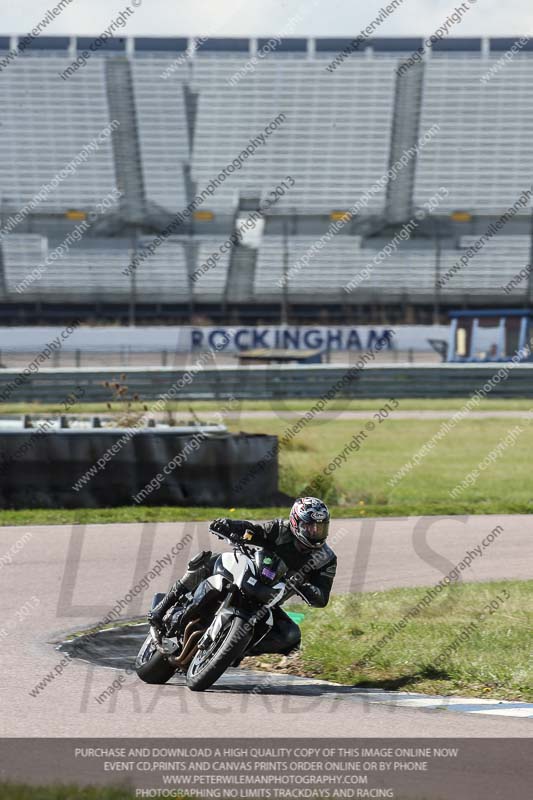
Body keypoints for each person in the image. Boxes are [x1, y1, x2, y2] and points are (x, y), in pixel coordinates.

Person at [148, 497, 337, 657]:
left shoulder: (326, 559)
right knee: (209, 560)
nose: (315, 533)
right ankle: (162, 607)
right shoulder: (280, 530)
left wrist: (302, 584)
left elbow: (322, 597)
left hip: (271, 598)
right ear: (296, 523)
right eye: (310, 527)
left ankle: (235, 652)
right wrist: (230, 525)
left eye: (320, 528)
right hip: (254, 573)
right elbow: (253, 532)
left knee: (290, 635)